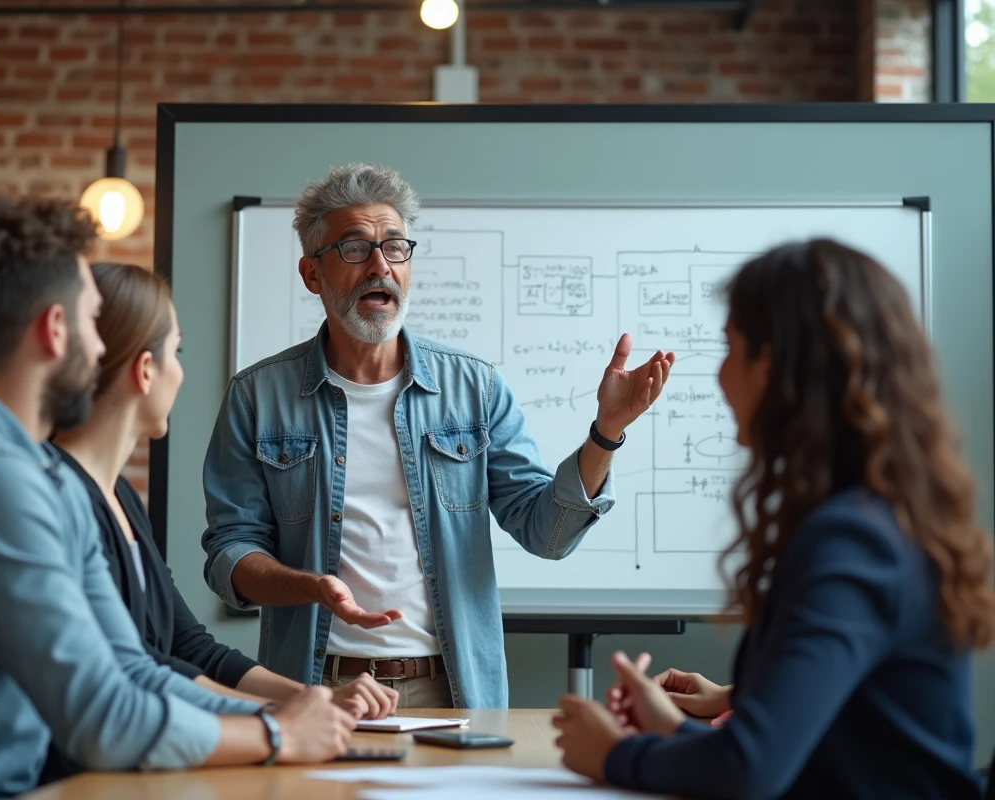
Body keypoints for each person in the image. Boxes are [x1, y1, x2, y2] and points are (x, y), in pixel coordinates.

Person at [0, 197, 355, 800]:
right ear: (55, 331)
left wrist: (286, 719)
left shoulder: (24, 473)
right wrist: (276, 735)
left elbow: (130, 668)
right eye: (90, 319)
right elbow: (102, 719)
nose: (103, 349)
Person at [201, 163, 675, 708]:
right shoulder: (257, 397)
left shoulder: (475, 388)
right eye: (354, 248)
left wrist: (606, 432)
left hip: (450, 691)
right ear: (312, 274)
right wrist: (308, 586)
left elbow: (547, 533)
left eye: (395, 246)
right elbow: (230, 554)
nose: (380, 265)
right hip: (317, 689)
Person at [552, 238, 995, 799]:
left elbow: (750, 769)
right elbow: (829, 749)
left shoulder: (853, 540)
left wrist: (614, 755)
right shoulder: (876, 518)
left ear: (774, 368)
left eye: (731, 349)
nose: (720, 376)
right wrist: (676, 729)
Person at [49, 261, 398, 722]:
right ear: (146, 370)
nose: (181, 372)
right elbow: (135, 672)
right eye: (177, 351)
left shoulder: (121, 497)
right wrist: (277, 723)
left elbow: (187, 646)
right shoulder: (58, 498)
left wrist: (314, 699)